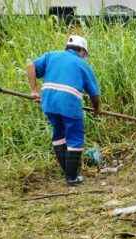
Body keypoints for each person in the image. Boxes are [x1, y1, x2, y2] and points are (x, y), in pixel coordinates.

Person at [26, 35, 101, 186]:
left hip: (48, 102)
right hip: (69, 102)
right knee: (75, 137)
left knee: (59, 133)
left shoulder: (51, 56)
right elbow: (94, 93)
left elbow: (30, 65)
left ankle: (68, 173)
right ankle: (72, 178)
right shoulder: (82, 64)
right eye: (85, 54)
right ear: (81, 51)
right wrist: (97, 109)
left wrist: (34, 90)